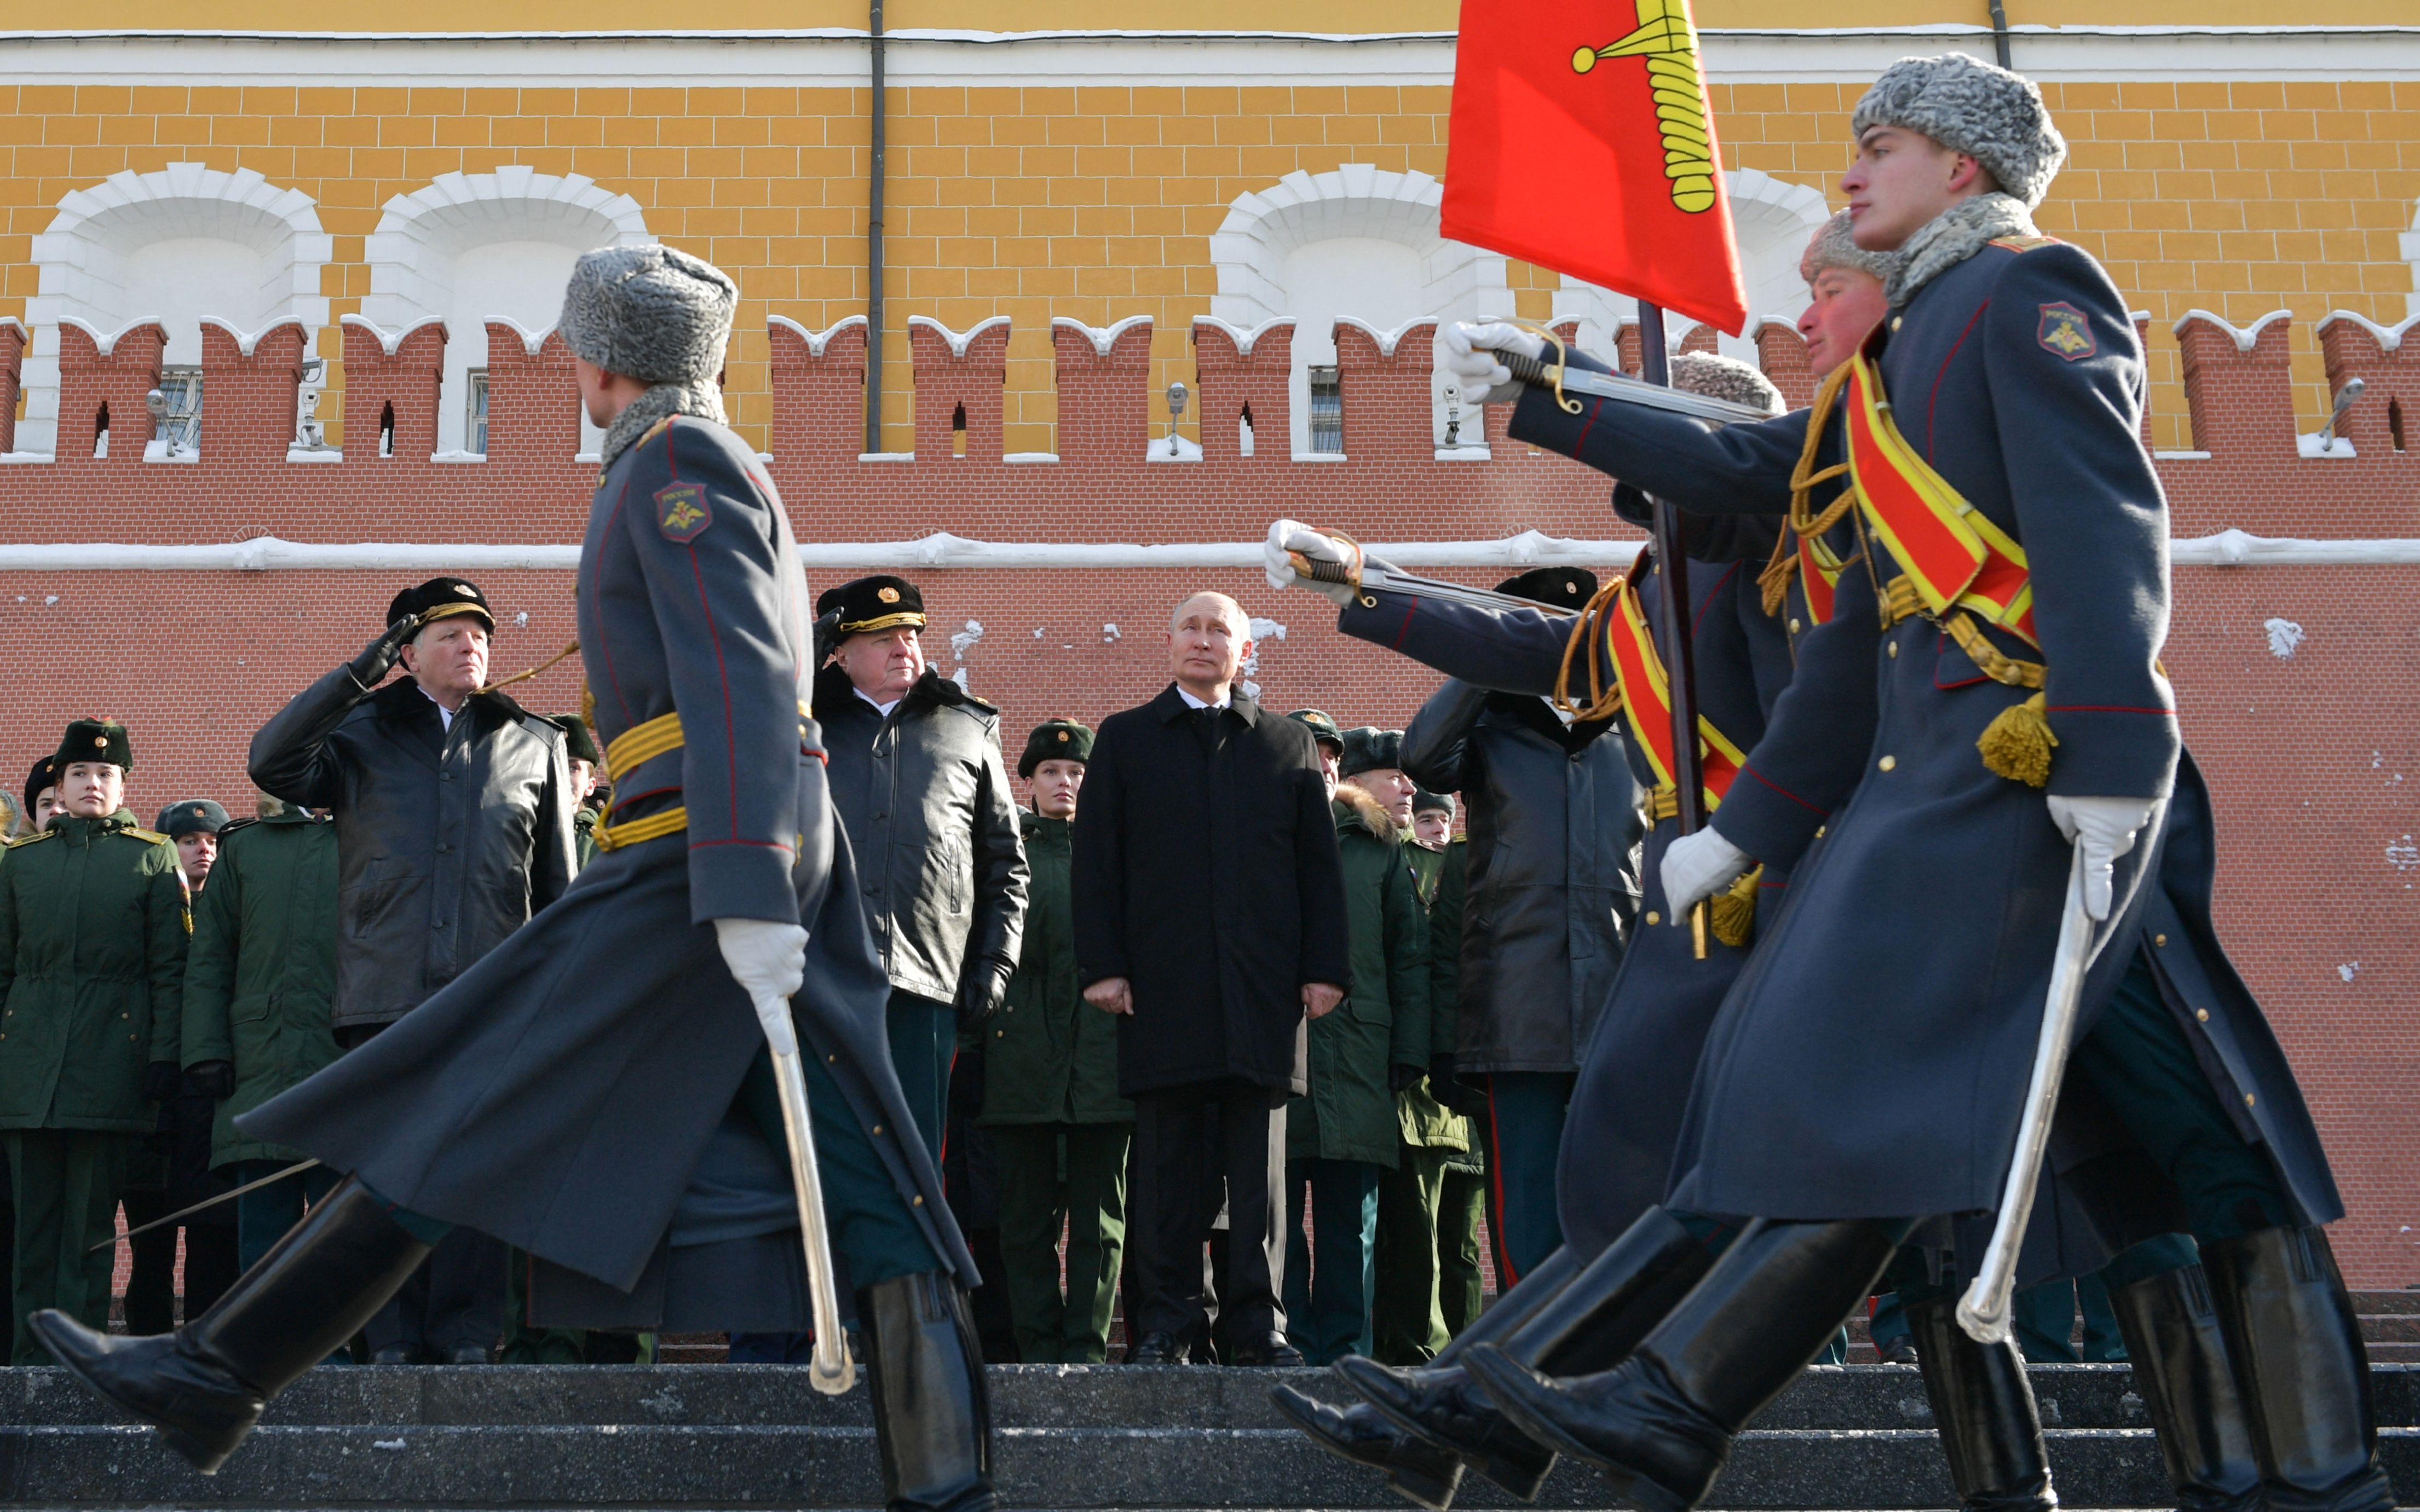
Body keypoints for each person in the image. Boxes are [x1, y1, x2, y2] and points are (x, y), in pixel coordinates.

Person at [1420, 55, 2393, 1512]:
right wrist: (1558, 401)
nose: (1851, 175)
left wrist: (2113, 757)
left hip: (2040, 786)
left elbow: (2099, 522)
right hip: (1947, 796)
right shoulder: (1902, 354)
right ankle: (2275, 1476)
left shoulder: (2024, 291)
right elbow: (1775, 486)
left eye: (1880, 145)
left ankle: (2308, 1478)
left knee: (2118, 1121)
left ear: (1965, 166)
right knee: (2158, 1142)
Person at [32, 243, 1000, 1512]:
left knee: (841, 1159)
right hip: (681, 853)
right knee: (492, 1099)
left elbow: (743, 670)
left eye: (572, 343)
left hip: (701, 862)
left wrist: (756, 884)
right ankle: (217, 1371)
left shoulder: (678, 463)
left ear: (602, 357)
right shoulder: (665, 459)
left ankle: (220, 1368)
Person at [1263, 354, 1799, 1508]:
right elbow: (1536, 652)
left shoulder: (1777, 545)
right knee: (1626, 1183)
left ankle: (1480, 1411)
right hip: (1701, 907)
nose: (1647, 507)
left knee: (1770, 1189)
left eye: (1661, 472)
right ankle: (1471, 1413)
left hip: (1787, 891)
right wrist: (1366, 584)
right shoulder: (1654, 587)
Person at [246, 573, 573, 1366]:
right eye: (452, 634)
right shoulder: (361, 733)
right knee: (384, 1177)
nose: (474, 646)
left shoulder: (535, 742)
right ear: (407, 651)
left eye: (482, 635)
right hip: (383, 990)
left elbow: (558, 890)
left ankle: (466, 1332)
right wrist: (359, 674)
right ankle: (387, 1333)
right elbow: (271, 761)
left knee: (470, 1175)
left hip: (491, 1000)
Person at [1071, 591, 1348, 1368]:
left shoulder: (1287, 744)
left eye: (1220, 629)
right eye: (1191, 628)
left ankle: (1258, 1326)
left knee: (1260, 1176)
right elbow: (1097, 864)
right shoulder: (1126, 741)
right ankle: (1167, 1323)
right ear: (1168, 644)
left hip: (1264, 993)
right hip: (1160, 989)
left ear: (1246, 649)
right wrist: (1104, 965)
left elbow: (1317, 871)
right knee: (1165, 1169)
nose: (1204, 641)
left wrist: (1325, 969)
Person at [1397, 567, 1641, 1288]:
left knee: (1616, 1192)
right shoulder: (1494, 727)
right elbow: (1420, 757)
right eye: (1534, 631)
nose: (1554, 646)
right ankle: (1527, 1347)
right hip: (1520, 994)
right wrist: (1487, 660)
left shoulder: (1634, 725)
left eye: (1567, 631)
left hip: (1619, 990)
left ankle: (1610, 1345)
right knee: (1528, 1189)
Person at [812, 574, 1028, 1159]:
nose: (904, 647)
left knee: (913, 1162)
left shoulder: (968, 726)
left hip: (927, 977)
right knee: (823, 1155)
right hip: (819, 977)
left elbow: (1005, 864)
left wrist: (994, 963)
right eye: (882, 637)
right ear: (839, 651)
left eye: (910, 633)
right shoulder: (798, 726)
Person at [0, 720, 186, 1364]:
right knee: (34, 1225)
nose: (92, 783)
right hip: (27, 1068)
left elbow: (170, 968)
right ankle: (27, 1356)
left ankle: (79, 1356)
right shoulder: (21, 862)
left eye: (106, 774)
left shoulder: (151, 854)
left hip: (113, 1063)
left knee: (87, 1226)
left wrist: (164, 1055)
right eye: (79, 773)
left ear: (123, 785)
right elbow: (3, 968)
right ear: (58, 783)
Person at [977, 717, 1132, 1365]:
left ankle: (1088, 1348)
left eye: (1076, 773)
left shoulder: (1122, 853)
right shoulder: (1004, 850)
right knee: (1025, 1222)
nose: (1064, 782)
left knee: (1102, 1223)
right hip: (1020, 1058)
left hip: (1104, 1057)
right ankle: (1038, 1347)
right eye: (1051, 772)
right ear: (1029, 781)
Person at [1276, 719, 1430, 1367]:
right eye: (1309, 755)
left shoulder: (1379, 846)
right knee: (1276, 1219)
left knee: (1351, 1222)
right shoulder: (1256, 838)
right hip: (1276, 1055)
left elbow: (1410, 954)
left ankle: (1346, 1348)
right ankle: (1284, 1341)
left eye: (1331, 756)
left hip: (1361, 1054)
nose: (1323, 766)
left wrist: (1411, 1050)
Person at [1335, 732, 1469, 1369]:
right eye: (1396, 778)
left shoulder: (1429, 861)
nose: (1410, 791)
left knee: (1426, 1233)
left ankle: (1418, 1352)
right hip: (1356, 1068)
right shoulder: (1358, 854)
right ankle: (1367, 1344)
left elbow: (1431, 970)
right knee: (1361, 1226)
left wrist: (1427, 1057)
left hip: (1416, 1088)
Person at [179, 798, 342, 1276]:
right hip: (258, 1063)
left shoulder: (375, 836)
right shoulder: (246, 848)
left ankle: (334, 1351)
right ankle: (266, 1348)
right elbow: (210, 958)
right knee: (265, 1234)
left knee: (344, 1232)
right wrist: (206, 1049)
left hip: (346, 1060)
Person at [122, 799, 243, 1335]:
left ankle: (202, 1338)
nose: (204, 849)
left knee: (212, 1232)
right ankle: (147, 1336)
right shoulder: (146, 911)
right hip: (150, 1095)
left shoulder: (235, 913)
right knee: (150, 1238)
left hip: (206, 1097)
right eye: (191, 840)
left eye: (213, 840)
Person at [1403, 790, 1486, 1342]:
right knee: (1421, 1237)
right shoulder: (1422, 872)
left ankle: (1475, 1339)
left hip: (1476, 1097)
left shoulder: (1467, 864)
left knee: (1465, 1242)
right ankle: (1429, 1347)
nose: (1436, 828)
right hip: (1430, 1097)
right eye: (1425, 818)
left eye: (1443, 818)